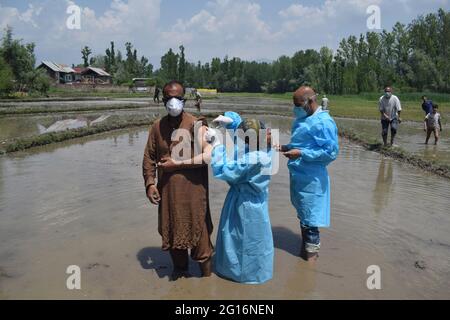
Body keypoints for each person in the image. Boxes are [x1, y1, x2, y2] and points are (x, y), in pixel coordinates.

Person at [142, 80, 213, 280]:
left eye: (177, 98)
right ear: (163, 100)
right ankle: (181, 277)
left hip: (194, 193)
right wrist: (149, 183)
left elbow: (208, 157)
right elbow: (149, 157)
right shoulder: (157, 127)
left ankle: (206, 283)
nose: (173, 102)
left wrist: (177, 164)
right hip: (168, 193)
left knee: (201, 241)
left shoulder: (196, 124)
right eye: (169, 98)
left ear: (184, 99)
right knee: (173, 235)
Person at [277, 86, 339, 262]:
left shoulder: (323, 122)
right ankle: (304, 254)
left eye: (298, 105)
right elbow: (303, 143)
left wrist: (302, 154)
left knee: (311, 222)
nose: (295, 108)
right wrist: (286, 147)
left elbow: (330, 153)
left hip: (312, 180)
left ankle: (310, 264)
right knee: (304, 217)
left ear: (310, 101)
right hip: (299, 177)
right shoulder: (304, 119)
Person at [209, 118, 274, 284]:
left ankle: (238, 274)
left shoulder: (253, 157)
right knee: (256, 239)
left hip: (243, 202)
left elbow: (224, 170)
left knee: (240, 238)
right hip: (257, 201)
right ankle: (257, 271)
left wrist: (216, 146)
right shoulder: (265, 148)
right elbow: (245, 131)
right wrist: (231, 123)